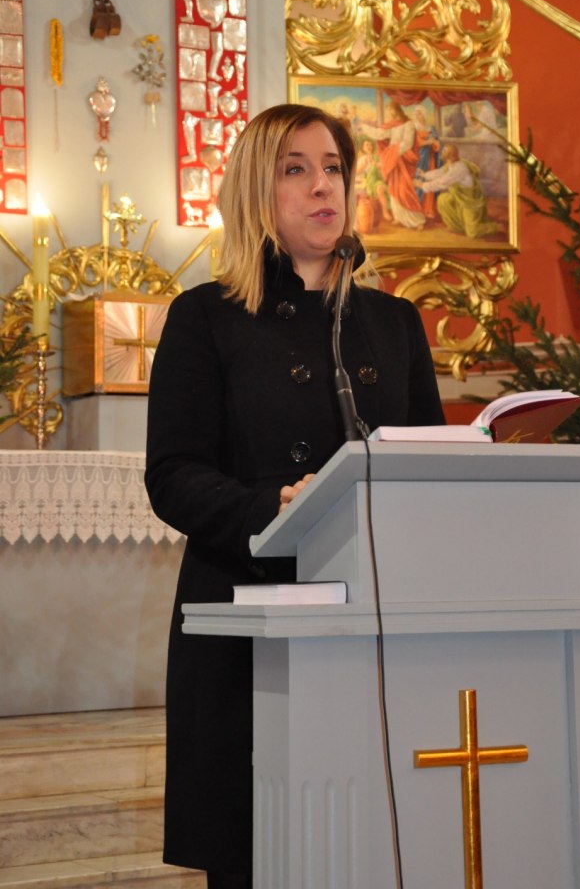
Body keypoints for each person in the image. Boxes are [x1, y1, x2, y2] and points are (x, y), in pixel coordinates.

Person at [145, 103, 444, 889]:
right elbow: (173, 475)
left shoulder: (394, 323)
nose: (323, 186)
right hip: (252, 623)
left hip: (377, 624)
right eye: (296, 169)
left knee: (381, 846)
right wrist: (277, 504)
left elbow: (428, 468)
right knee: (261, 853)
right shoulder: (206, 318)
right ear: (257, 191)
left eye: (334, 168)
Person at [358, 100, 426, 229]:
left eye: (392, 110)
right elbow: (379, 134)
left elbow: (408, 143)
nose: (390, 113)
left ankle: (417, 221)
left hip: (404, 160)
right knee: (393, 189)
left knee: (405, 189)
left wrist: (393, 152)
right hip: (394, 160)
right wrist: (365, 127)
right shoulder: (393, 125)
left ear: (397, 109)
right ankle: (399, 217)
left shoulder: (409, 124)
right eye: (389, 110)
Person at [415, 142, 498, 238]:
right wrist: (425, 175)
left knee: (472, 232)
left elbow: (442, 182)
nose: (442, 152)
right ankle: (456, 227)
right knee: (442, 200)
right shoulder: (451, 164)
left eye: (444, 151)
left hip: (469, 202)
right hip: (458, 198)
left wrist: (422, 185)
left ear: (451, 155)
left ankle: (495, 227)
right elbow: (440, 172)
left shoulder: (459, 168)